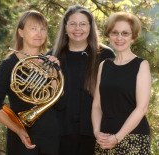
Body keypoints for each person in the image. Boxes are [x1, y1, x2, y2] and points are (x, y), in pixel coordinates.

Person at [0, 10, 60, 155]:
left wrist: (55, 74)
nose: (39, 33)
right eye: (33, 28)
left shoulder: (49, 63)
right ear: (20, 32)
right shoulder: (9, 64)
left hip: (51, 137)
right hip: (22, 137)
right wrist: (18, 130)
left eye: (42, 29)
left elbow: (56, 101)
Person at [47, 5, 115, 155]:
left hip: (98, 135)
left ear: (90, 27)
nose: (78, 28)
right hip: (62, 135)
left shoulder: (105, 54)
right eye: (72, 23)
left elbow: (113, 95)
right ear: (65, 27)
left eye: (83, 24)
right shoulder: (52, 56)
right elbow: (48, 99)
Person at [92, 11, 151, 154]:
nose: (119, 37)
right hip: (104, 138)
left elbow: (141, 108)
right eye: (114, 32)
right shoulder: (104, 65)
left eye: (125, 33)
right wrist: (96, 132)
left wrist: (118, 137)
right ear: (109, 35)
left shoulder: (141, 65)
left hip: (134, 138)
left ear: (133, 37)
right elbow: (97, 105)